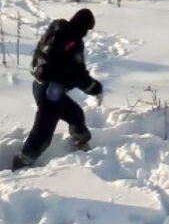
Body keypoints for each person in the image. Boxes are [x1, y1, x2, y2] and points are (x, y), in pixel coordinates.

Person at [12, 9, 103, 170]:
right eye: (88, 29)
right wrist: (94, 88)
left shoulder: (56, 30)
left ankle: (80, 139)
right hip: (51, 92)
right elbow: (78, 74)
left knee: (75, 114)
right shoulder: (73, 41)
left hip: (39, 85)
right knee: (43, 133)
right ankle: (22, 162)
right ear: (84, 27)